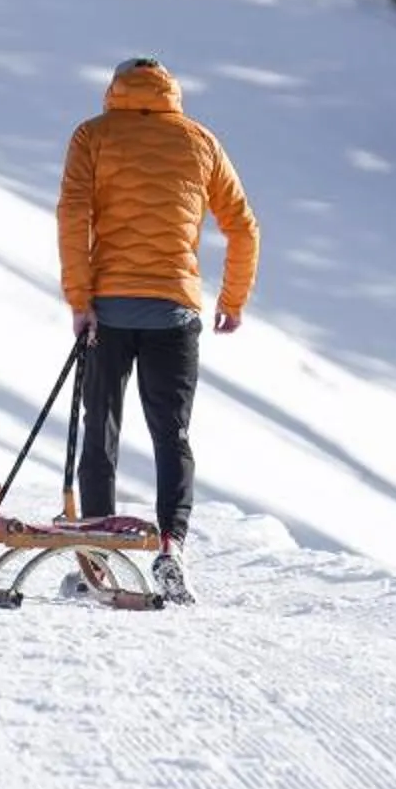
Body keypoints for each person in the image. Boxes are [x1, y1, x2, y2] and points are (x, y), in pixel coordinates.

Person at [56, 55, 259, 604]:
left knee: (101, 427)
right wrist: (232, 300)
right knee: (172, 433)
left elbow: (73, 215)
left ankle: (98, 558)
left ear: (114, 91)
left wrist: (79, 300)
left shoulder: (92, 136)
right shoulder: (199, 141)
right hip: (175, 309)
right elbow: (242, 226)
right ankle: (171, 547)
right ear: (171, 92)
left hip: (110, 309)